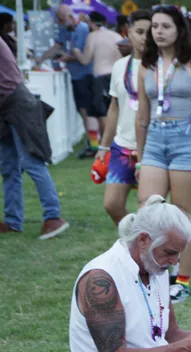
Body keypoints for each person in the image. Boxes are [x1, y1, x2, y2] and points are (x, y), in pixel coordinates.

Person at [69, 197, 191, 352]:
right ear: (143, 240)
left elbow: (170, 334)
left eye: (178, 254)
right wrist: (186, 347)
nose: (175, 261)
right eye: (170, 252)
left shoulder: (155, 267)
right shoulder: (100, 280)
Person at [136, 7, 191, 305]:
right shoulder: (147, 65)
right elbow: (142, 116)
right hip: (154, 141)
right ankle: (149, 273)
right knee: (147, 210)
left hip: (188, 141)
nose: (159, 32)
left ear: (179, 31)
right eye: (155, 27)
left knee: (182, 215)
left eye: (166, 27)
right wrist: (140, 158)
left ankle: (182, 281)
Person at [0, 19, 68, 239]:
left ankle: (54, 217)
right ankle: (12, 221)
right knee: (8, 166)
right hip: (1, 103)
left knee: (31, 162)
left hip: (16, 102)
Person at [96, 10, 150, 226]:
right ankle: (136, 238)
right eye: (140, 32)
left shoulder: (160, 66)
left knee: (147, 209)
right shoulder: (120, 66)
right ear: (128, 33)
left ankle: (146, 242)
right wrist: (104, 146)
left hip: (151, 147)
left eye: (149, 32)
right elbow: (114, 107)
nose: (145, 37)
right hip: (122, 146)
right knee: (112, 204)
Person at [36, 5, 95, 158]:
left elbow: (84, 56)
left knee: (87, 111)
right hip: (76, 76)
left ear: (69, 16)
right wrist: (41, 58)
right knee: (83, 111)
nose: (59, 22)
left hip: (85, 75)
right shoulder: (66, 28)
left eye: (61, 19)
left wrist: (66, 58)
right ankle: (93, 143)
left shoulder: (82, 29)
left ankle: (94, 145)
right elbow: (57, 45)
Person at [71, 12, 124, 140]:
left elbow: (85, 60)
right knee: (116, 111)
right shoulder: (116, 36)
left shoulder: (93, 36)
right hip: (117, 76)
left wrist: (76, 52)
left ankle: (105, 144)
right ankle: (117, 141)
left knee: (101, 114)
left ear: (92, 23)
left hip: (100, 77)